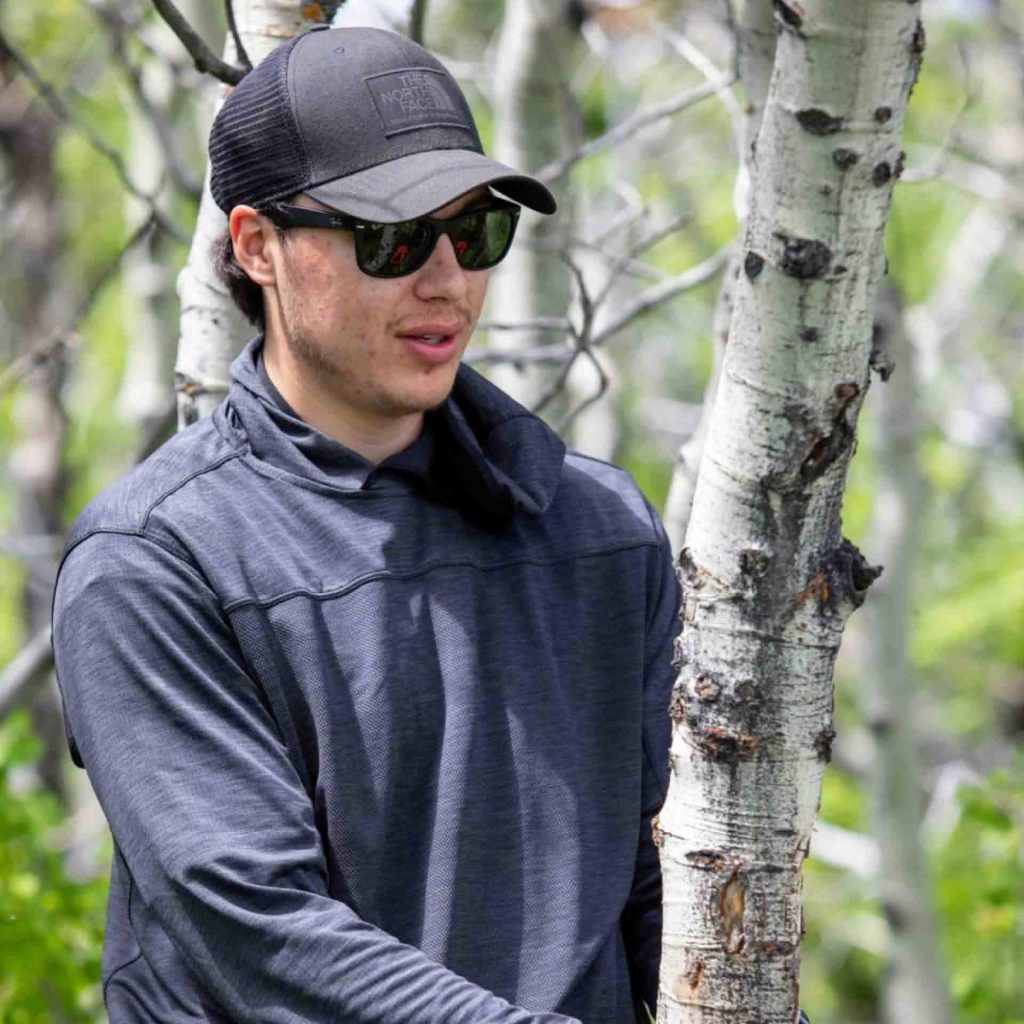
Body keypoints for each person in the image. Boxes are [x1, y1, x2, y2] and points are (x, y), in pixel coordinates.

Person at [51, 26, 680, 1024]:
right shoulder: (153, 564)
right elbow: (262, 936)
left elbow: (670, 887)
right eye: (394, 240)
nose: (447, 281)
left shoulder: (602, 530)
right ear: (257, 246)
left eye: (476, 233)